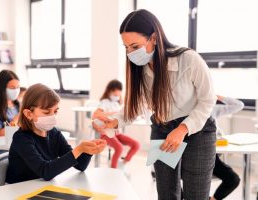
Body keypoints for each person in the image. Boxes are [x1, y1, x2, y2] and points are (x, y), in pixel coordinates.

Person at [93, 9, 216, 200]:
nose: (130, 53)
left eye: (135, 46)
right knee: (166, 193)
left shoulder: (189, 59)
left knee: (196, 195)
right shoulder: (141, 69)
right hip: (162, 128)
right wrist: (115, 121)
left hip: (197, 130)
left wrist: (183, 129)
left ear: (154, 38)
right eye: (126, 47)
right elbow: (139, 104)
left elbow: (208, 100)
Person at [5, 83, 106, 184]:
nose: (52, 116)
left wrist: (88, 151)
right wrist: (78, 149)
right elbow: (46, 172)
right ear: (29, 114)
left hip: (41, 188)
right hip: (19, 191)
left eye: (55, 111)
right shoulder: (21, 139)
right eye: (46, 112)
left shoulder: (54, 133)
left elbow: (80, 166)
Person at [93, 79, 140, 169]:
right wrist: (113, 113)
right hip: (106, 133)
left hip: (117, 133)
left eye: (118, 92)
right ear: (109, 90)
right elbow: (95, 115)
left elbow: (123, 117)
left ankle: (123, 163)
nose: (117, 94)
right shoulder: (105, 102)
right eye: (115, 93)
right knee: (119, 148)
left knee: (136, 144)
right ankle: (113, 170)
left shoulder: (118, 103)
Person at [210, 95, 243, 200]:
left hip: (211, 156)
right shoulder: (185, 110)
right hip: (190, 156)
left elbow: (239, 105)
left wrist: (219, 97)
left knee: (233, 179)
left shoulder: (213, 109)